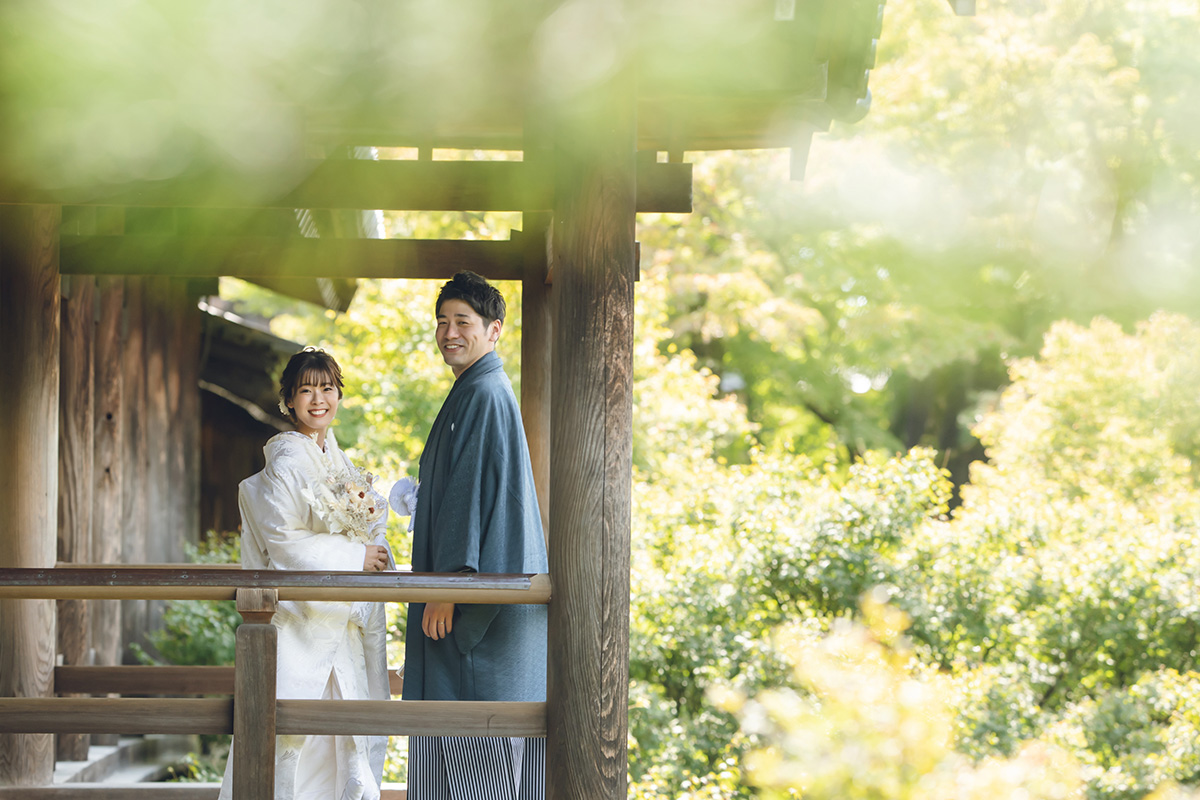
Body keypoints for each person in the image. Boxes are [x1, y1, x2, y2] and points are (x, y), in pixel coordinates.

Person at [219, 347, 393, 800]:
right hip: (304, 621)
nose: (319, 399)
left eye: (328, 389)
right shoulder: (287, 460)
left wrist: (371, 542)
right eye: (306, 390)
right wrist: (356, 557)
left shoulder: (334, 456)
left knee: (345, 741)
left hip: (338, 619)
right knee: (301, 744)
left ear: (339, 395)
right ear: (288, 401)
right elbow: (284, 542)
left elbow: (357, 526)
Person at [403, 271, 549, 800]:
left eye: (462, 321)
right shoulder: (476, 390)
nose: (448, 332)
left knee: (474, 748)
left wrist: (449, 587)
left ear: (494, 330)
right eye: (442, 322)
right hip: (467, 589)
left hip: (469, 601)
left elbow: (471, 498)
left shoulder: (484, 392)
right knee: (487, 756)